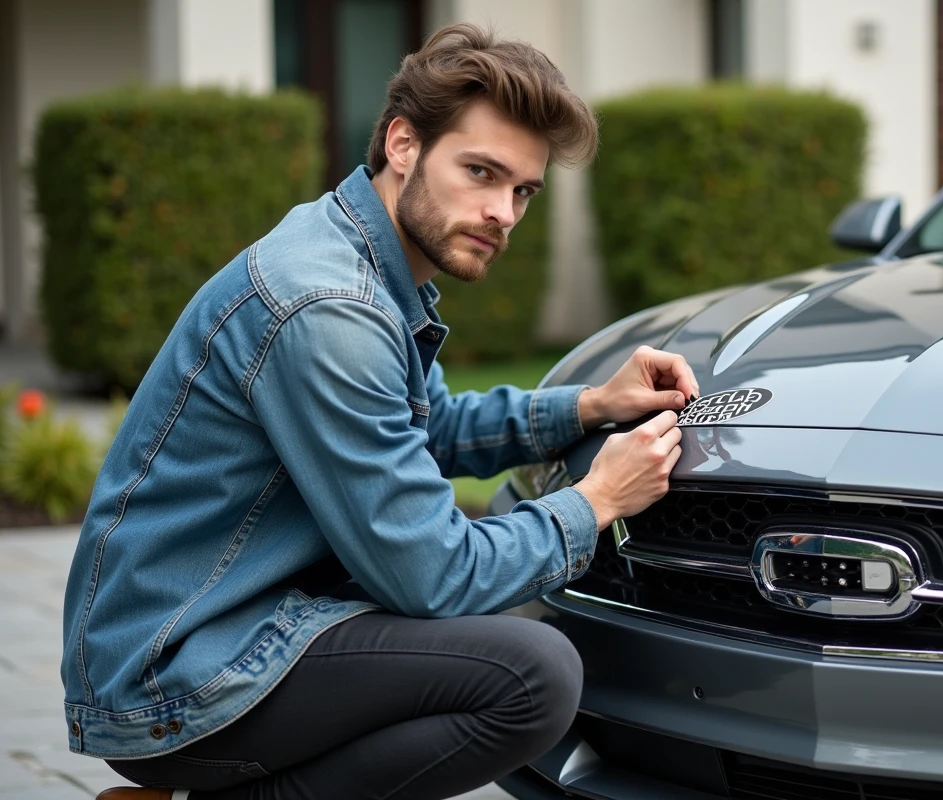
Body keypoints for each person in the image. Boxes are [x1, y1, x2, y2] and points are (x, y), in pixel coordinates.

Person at [65, 23, 698, 800]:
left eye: (523, 190)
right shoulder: (328, 308)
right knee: (532, 673)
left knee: (514, 615)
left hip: (233, 625)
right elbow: (432, 575)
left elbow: (424, 431)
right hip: (176, 673)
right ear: (403, 144)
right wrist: (597, 500)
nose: (503, 212)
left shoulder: (362, 258)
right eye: (481, 172)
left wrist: (592, 403)